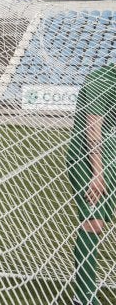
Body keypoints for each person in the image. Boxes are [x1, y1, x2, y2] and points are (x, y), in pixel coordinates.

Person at [66, 64, 116, 305]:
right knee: (92, 224)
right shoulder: (101, 79)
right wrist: (98, 173)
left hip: (111, 161)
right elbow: (93, 129)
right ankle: (83, 297)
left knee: (100, 225)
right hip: (88, 161)